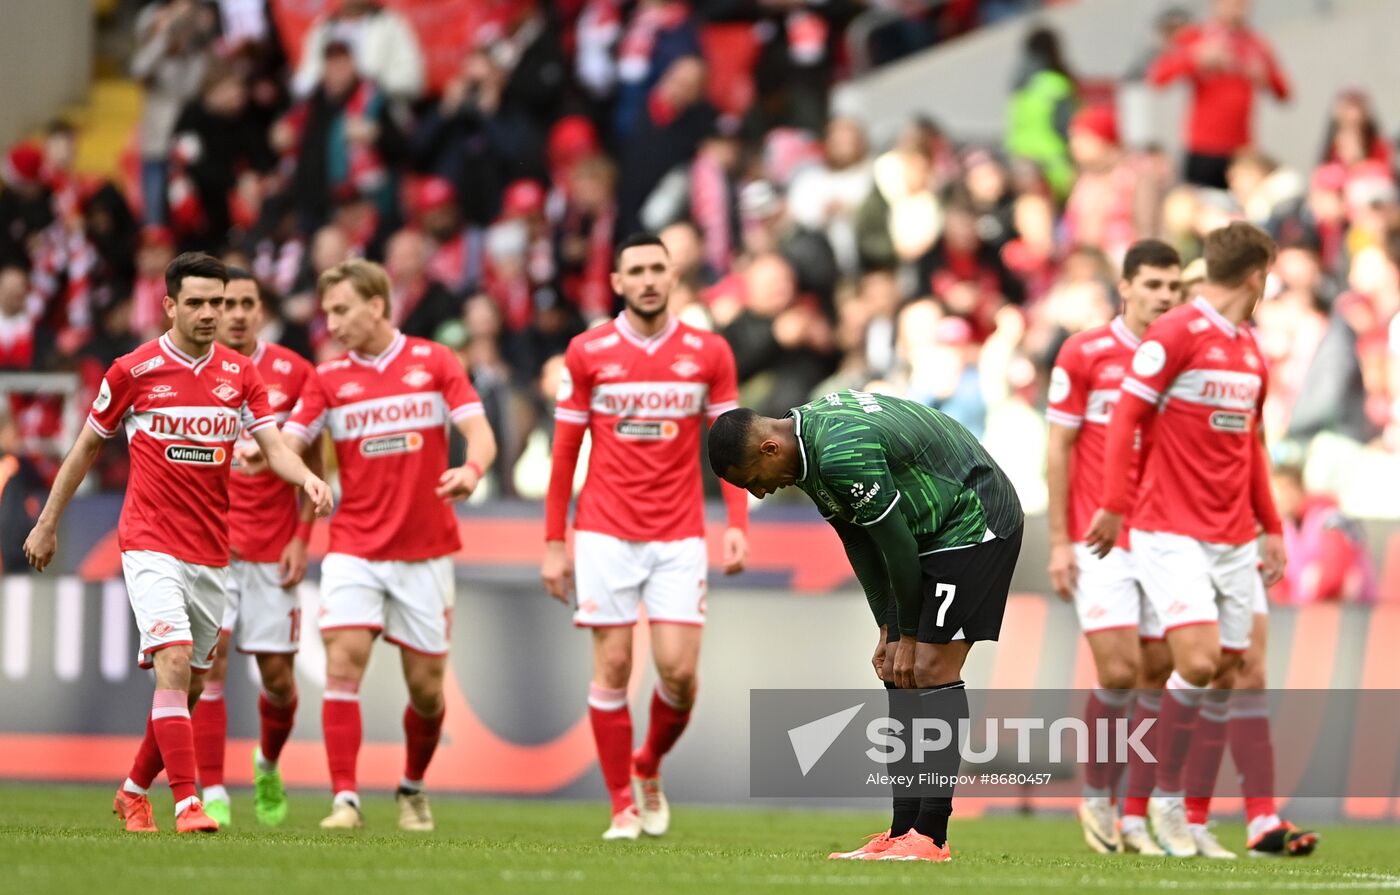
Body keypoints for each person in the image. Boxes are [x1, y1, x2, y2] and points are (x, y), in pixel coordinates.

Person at [22, 252, 332, 834]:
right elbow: (86, 449)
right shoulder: (134, 371)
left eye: (218, 301)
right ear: (169, 305)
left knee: (187, 687)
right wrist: (47, 522)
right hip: (149, 540)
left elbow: (273, 446)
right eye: (197, 302)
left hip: (212, 549)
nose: (211, 312)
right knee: (171, 661)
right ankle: (190, 802)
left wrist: (308, 478)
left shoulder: (241, 375)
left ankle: (134, 789)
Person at [707, 390, 1024, 862]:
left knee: (929, 665)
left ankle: (931, 836)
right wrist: (887, 629)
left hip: (974, 517)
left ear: (769, 449)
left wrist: (909, 633)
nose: (759, 492)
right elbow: (859, 540)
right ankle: (902, 831)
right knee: (899, 668)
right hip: (930, 529)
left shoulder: (837, 449)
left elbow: (894, 544)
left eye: (753, 480)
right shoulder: (806, 455)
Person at [1085, 222, 1315, 857]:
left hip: (1234, 535)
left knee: (1230, 671)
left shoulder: (1249, 349)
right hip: (1170, 531)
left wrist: (1270, 526)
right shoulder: (1178, 333)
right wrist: (1113, 504)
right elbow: (1127, 415)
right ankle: (1160, 798)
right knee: (1198, 661)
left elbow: (1252, 449)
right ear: (1257, 276)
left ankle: (1189, 811)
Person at [540, 233, 749, 840]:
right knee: (612, 664)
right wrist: (555, 541)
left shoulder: (708, 352)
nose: (650, 279)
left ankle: (647, 764)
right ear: (618, 281)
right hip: (604, 531)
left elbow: (732, 450)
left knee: (679, 675)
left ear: (674, 274)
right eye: (637, 270)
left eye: (659, 268)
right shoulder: (588, 352)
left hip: (679, 534)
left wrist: (737, 524)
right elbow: (563, 455)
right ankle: (619, 807)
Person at [282, 259, 497, 831]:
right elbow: (288, 440)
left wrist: (472, 469)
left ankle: (412, 786)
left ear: (377, 305)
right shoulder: (327, 378)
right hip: (353, 547)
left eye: (341, 309)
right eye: (327, 312)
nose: (331, 323)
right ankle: (345, 800)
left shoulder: (434, 361)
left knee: (427, 692)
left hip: (424, 553)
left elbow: (480, 431)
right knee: (343, 663)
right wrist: (271, 458)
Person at [1046, 239, 1184, 855]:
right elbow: (1058, 448)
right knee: (1121, 670)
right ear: (1125, 287)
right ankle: (1098, 794)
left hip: (1163, 535)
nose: (1164, 296)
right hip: (1097, 538)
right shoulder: (1085, 352)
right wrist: (1057, 540)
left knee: (1159, 673)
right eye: (1153, 284)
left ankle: (1134, 816)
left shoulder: (1183, 360)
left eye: (1173, 287)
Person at [190, 269, 319, 828]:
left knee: (280, 682)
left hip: (273, 551)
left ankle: (266, 763)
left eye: (247, 303)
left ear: (262, 310)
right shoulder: (192, 371)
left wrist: (301, 536)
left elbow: (312, 466)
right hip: (211, 546)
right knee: (208, 667)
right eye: (227, 303)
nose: (236, 313)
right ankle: (213, 789)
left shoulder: (296, 372)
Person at [1148, 0, 1290, 190]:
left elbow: (1284, 92)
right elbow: (1157, 77)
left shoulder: (1256, 43)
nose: (1236, 7)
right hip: (1203, 148)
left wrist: (1265, 75)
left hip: (1241, 151)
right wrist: (1195, 58)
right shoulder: (1198, 37)